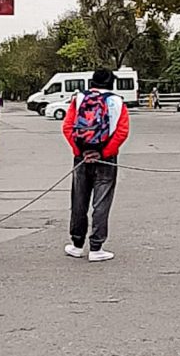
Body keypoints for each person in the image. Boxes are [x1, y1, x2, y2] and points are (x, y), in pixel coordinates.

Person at [62, 68, 131, 262]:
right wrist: (103, 153)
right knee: (101, 202)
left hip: (82, 158)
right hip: (105, 159)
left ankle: (76, 245)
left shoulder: (79, 99)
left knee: (78, 200)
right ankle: (96, 247)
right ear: (111, 83)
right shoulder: (118, 102)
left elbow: (67, 127)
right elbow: (122, 132)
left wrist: (81, 152)